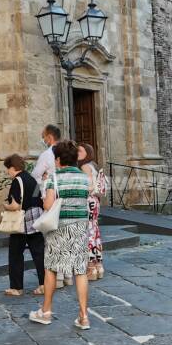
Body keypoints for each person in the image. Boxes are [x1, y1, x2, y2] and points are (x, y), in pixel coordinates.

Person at [29, 141, 92, 330]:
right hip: (80, 226)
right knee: (80, 270)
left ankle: (46, 311)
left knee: (51, 269)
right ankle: (83, 316)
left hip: (59, 227)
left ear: (58, 160)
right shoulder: (84, 177)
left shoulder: (54, 178)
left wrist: (43, 198)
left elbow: (48, 205)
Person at [30, 124, 71, 288]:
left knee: (53, 238)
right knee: (66, 236)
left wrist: (44, 180)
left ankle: (59, 278)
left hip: (52, 199)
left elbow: (34, 176)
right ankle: (68, 275)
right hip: (68, 197)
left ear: (49, 137)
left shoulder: (47, 155)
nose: (43, 139)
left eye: (43, 136)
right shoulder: (67, 152)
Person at [2, 154, 46, 296]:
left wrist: (5, 206)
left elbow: (15, 205)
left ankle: (16, 287)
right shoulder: (31, 179)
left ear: (13, 167)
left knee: (15, 254)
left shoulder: (17, 181)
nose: (7, 172)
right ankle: (44, 284)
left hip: (22, 222)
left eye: (7, 169)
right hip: (36, 218)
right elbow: (37, 198)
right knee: (39, 253)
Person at [78, 143, 105, 281]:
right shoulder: (94, 165)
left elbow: (88, 187)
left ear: (87, 153)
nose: (77, 152)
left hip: (88, 200)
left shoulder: (84, 167)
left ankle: (90, 267)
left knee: (88, 232)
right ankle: (98, 265)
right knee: (94, 231)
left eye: (80, 151)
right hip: (96, 201)